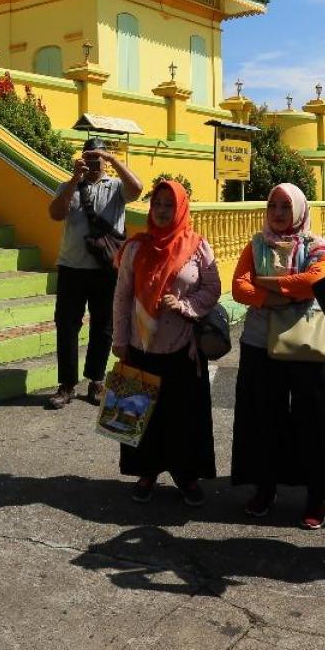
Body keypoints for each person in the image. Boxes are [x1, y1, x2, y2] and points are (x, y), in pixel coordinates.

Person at [231, 182, 325, 529]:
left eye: (286, 206)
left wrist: (266, 283)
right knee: (263, 419)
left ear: (299, 209)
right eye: (273, 206)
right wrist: (281, 297)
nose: (278, 213)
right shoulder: (257, 243)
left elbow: (313, 282)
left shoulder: (316, 245)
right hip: (259, 343)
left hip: (308, 342)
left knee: (315, 420)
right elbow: (239, 287)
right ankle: (265, 488)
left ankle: (317, 496)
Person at [111, 179, 222, 506]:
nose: (161, 211)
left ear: (181, 208)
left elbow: (212, 289)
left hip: (183, 349)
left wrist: (185, 305)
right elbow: (122, 296)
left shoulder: (198, 247)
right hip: (141, 347)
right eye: (157, 204)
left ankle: (186, 476)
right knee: (141, 415)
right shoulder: (135, 247)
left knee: (183, 418)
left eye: (169, 205)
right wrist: (119, 339)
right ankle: (146, 473)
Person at [46, 138, 143, 409]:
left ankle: (96, 380)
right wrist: (74, 180)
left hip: (106, 269)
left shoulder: (116, 187)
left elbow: (137, 189)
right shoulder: (68, 185)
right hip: (71, 268)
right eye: (88, 157)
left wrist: (113, 160)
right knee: (66, 325)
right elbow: (55, 214)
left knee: (103, 326)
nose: (93, 163)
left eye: (97, 158)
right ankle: (66, 384)